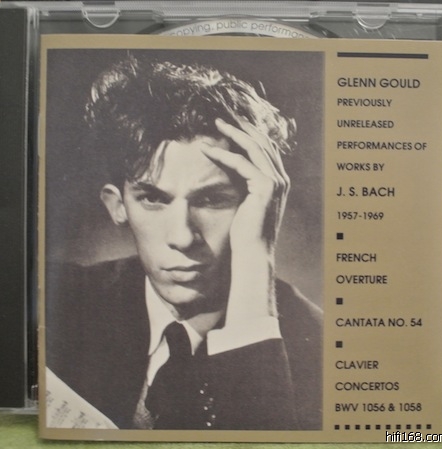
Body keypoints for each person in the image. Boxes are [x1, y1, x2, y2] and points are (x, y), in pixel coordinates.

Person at [45, 55, 322, 431]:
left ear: (262, 209)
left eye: (212, 200)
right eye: (153, 199)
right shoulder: (58, 300)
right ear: (117, 206)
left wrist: (257, 259)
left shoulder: (324, 348)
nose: (182, 237)